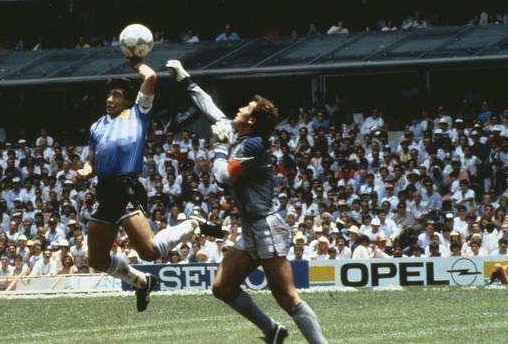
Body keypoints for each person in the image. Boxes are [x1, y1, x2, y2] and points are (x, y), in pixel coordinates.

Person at [165, 59, 326, 344]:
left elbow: (224, 177)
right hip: (252, 227)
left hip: (268, 227)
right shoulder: (240, 134)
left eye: (244, 109)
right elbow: (209, 107)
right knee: (222, 287)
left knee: (287, 297)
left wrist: (217, 148)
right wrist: (184, 78)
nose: (238, 109)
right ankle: (273, 331)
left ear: (251, 120)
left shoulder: (254, 145)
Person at [73, 57, 218, 312]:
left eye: (116, 95)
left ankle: (192, 222)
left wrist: (135, 61)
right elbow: (91, 164)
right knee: (96, 258)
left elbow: (150, 77)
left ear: (128, 100)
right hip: (105, 191)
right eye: (108, 95)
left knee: (150, 251)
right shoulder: (97, 126)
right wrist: (83, 172)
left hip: (127, 186)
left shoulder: (138, 113)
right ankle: (141, 282)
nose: (110, 99)